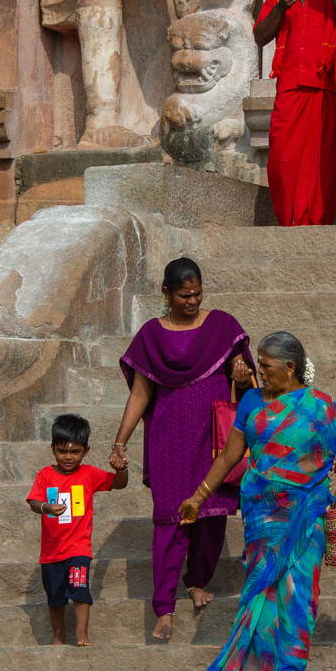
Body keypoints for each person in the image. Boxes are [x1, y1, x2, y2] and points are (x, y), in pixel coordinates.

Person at [180, 331, 336, 671]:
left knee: (298, 590)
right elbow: (229, 456)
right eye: (259, 364)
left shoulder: (320, 406)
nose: (258, 371)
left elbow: (334, 464)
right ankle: (258, 661)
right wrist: (198, 497)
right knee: (262, 587)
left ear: (290, 367)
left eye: (265, 365)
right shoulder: (250, 403)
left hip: (307, 513)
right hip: (262, 516)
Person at [111, 258, 254, 640]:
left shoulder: (223, 325)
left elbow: (245, 372)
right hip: (169, 440)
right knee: (170, 519)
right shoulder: (151, 336)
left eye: (197, 294)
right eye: (183, 295)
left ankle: (196, 581)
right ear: (166, 293)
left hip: (213, 440)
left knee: (211, 515)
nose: (192, 301)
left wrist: (241, 369)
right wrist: (120, 440)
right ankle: (164, 608)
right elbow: (141, 393)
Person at [256, 0, 336, 226]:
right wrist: (281, 8)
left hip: (325, 88)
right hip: (290, 89)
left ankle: (318, 224)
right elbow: (260, 36)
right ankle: (289, 222)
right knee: (283, 159)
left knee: (323, 162)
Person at [27, 413, 130, 647]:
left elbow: (118, 484)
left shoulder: (90, 474)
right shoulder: (45, 475)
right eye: (63, 451)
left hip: (78, 549)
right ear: (53, 449)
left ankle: (81, 634)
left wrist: (121, 469)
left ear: (86, 450)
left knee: (79, 588)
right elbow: (33, 503)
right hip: (51, 552)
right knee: (55, 598)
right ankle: (58, 636)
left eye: (75, 452)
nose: (68, 457)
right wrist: (46, 507)